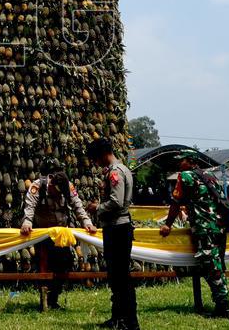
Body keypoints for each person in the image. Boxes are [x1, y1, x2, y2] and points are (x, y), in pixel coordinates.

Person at [160, 150, 229, 319]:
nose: (179, 164)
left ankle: (223, 308)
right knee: (218, 266)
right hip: (220, 228)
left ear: (191, 161)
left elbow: (176, 203)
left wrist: (168, 225)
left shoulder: (185, 176)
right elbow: (223, 201)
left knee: (212, 269)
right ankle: (223, 302)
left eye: (181, 160)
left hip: (205, 229)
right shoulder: (210, 176)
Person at [19, 157, 97, 311]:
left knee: (63, 266)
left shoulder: (67, 187)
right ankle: (44, 302)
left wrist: (87, 222)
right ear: (52, 182)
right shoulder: (37, 186)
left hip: (61, 235)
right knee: (43, 268)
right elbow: (29, 207)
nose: (57, 194)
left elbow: (77, 206)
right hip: (44, 234)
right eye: (55, 191)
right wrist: (27, 222)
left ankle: (54, 299)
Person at [87, 139, 139, 329]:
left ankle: (130, 321)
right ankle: (118, 317)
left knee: (121, 276)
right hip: (117, 227)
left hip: (117, 228)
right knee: (116, 276)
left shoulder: (115, 172)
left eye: (95, 158)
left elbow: (116, 202)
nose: (95, 163)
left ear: (102, 154)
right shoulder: (122, 169)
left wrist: (97, 208)